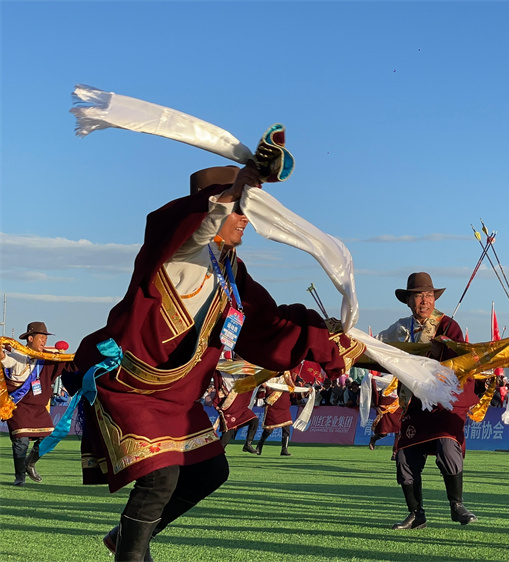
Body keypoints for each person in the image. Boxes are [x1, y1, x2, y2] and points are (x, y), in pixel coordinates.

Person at [67, 164, 365, 562]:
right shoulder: (179, 248)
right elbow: (188, 226)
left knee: (210, 471)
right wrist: (233, 192)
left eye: (247, 210)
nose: (246, 220)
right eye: (239, 210)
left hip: (175, 395)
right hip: (133, 385)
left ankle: (126, 537)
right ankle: (130, 554)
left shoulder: (231, 269)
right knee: (160, 478)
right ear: (212, 206)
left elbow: (265, 326)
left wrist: (324, 337)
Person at [377, 272, 480, 530]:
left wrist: (443, 351)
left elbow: (463, 360)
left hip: (444, 402)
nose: (424, 300)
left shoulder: (448, 325)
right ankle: (416, 514)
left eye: (429, 295)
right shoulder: (400, 329)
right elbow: (377, 347)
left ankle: (457, 505)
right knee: (404, 456)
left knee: (447, 444)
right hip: (415, 403)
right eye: (418, 296)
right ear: (408, 301)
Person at [1, 322, 77, 486]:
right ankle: (20, 477)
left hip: (39, 408)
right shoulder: (17, 354)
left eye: (45, 338)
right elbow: (6, 361)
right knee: (21, 442)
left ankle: (30, 463)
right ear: (30, 338)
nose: (44, 341)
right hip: (18, 406)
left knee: (49, 437)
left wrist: (83, 356)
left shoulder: (48, 358)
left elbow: (69, 365)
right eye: (41, 337)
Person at [255, 372, 303, 456]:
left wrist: (300, 387)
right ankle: (260, 445)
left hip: (284, 406)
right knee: (269, 429)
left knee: (286, 429)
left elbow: (293, 393)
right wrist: (264, 385)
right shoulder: (270, 375)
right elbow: (262, 389)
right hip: (273, 405)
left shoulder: (288, 377)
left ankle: (284, 449)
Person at [213, 370, 259, 454]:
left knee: (254, 420)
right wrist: (216, 403)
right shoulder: (221, 373)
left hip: (241, 408)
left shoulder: (244, 373)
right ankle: (216, 454)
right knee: (226, 438)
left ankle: (248, 444)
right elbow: (217, 388)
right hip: (228, 409)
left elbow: (258, 377)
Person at [369, 376, 401, 451]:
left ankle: (395, 452)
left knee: (398, 431)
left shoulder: (404, 377)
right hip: (386, 405)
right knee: (383, 432)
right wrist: (371, 379)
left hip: (398, 405)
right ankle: (374, 438)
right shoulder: (387, 377)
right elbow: (376, 387)